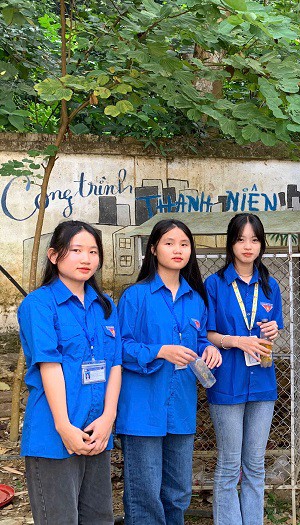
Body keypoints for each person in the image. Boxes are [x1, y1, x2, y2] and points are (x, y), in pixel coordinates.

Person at [116, 219, 222, 525]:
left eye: (184, 244)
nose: (178, 250)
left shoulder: (196, 299)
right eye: (169, 243)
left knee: (177, 493)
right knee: (145, 495)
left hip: (181, 408)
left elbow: (199, 340)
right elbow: (120, 348)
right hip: (143, 409)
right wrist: (159, 351)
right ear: (153, 249)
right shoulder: (135, 297)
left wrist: (209, 349)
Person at [17, 220, 122, 524]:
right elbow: (49, 366)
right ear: (54, 255)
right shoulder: (39, 304)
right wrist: (64, 427)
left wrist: (108, 418)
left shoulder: (105, 305)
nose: (86, 258)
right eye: (76, 250)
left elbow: (115, 364)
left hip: (96, 431)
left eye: (93, 251)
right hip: (54, 436)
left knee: (99, 518)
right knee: (60, 519)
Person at [204, 213, 284, 525]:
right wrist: (237, 341)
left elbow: (272, 329)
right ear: (231, 244)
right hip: (227, 383)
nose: (248, 246)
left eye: (254, 239)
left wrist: (273, 331)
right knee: (228, 464)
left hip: (262, 382)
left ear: (262, 244)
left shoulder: (270, 286)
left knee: (255, 464)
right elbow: (207, 334)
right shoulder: (214, 284)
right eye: (240, 239)